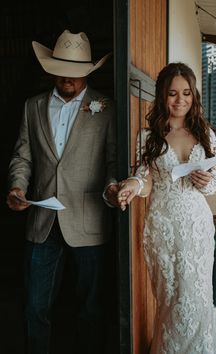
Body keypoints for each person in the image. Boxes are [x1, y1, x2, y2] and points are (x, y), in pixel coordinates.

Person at [7, 30, 118, 354]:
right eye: (61, 71)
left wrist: (112, 187)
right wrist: (17, 186)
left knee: (91, 310)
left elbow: (113, 159)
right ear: (50, 68)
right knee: (34, 307)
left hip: (89, 221)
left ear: (87, 72)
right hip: (42, 222)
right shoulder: (32, 106)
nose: (66, 79)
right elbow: (22, 155)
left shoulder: (106, 108)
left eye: (75, 73)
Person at [118, 62, 216, 353]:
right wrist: (132, 185)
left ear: (193, 96)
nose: (180, 100)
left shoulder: (206, 134)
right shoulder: (147, 137)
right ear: (162, 95)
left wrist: (206, 180)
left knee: (196, 296)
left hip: (196, 225)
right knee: (172, 299)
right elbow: (145, 180)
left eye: (186, 93)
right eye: (172, 93)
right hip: (163, 228)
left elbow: (215, 184)